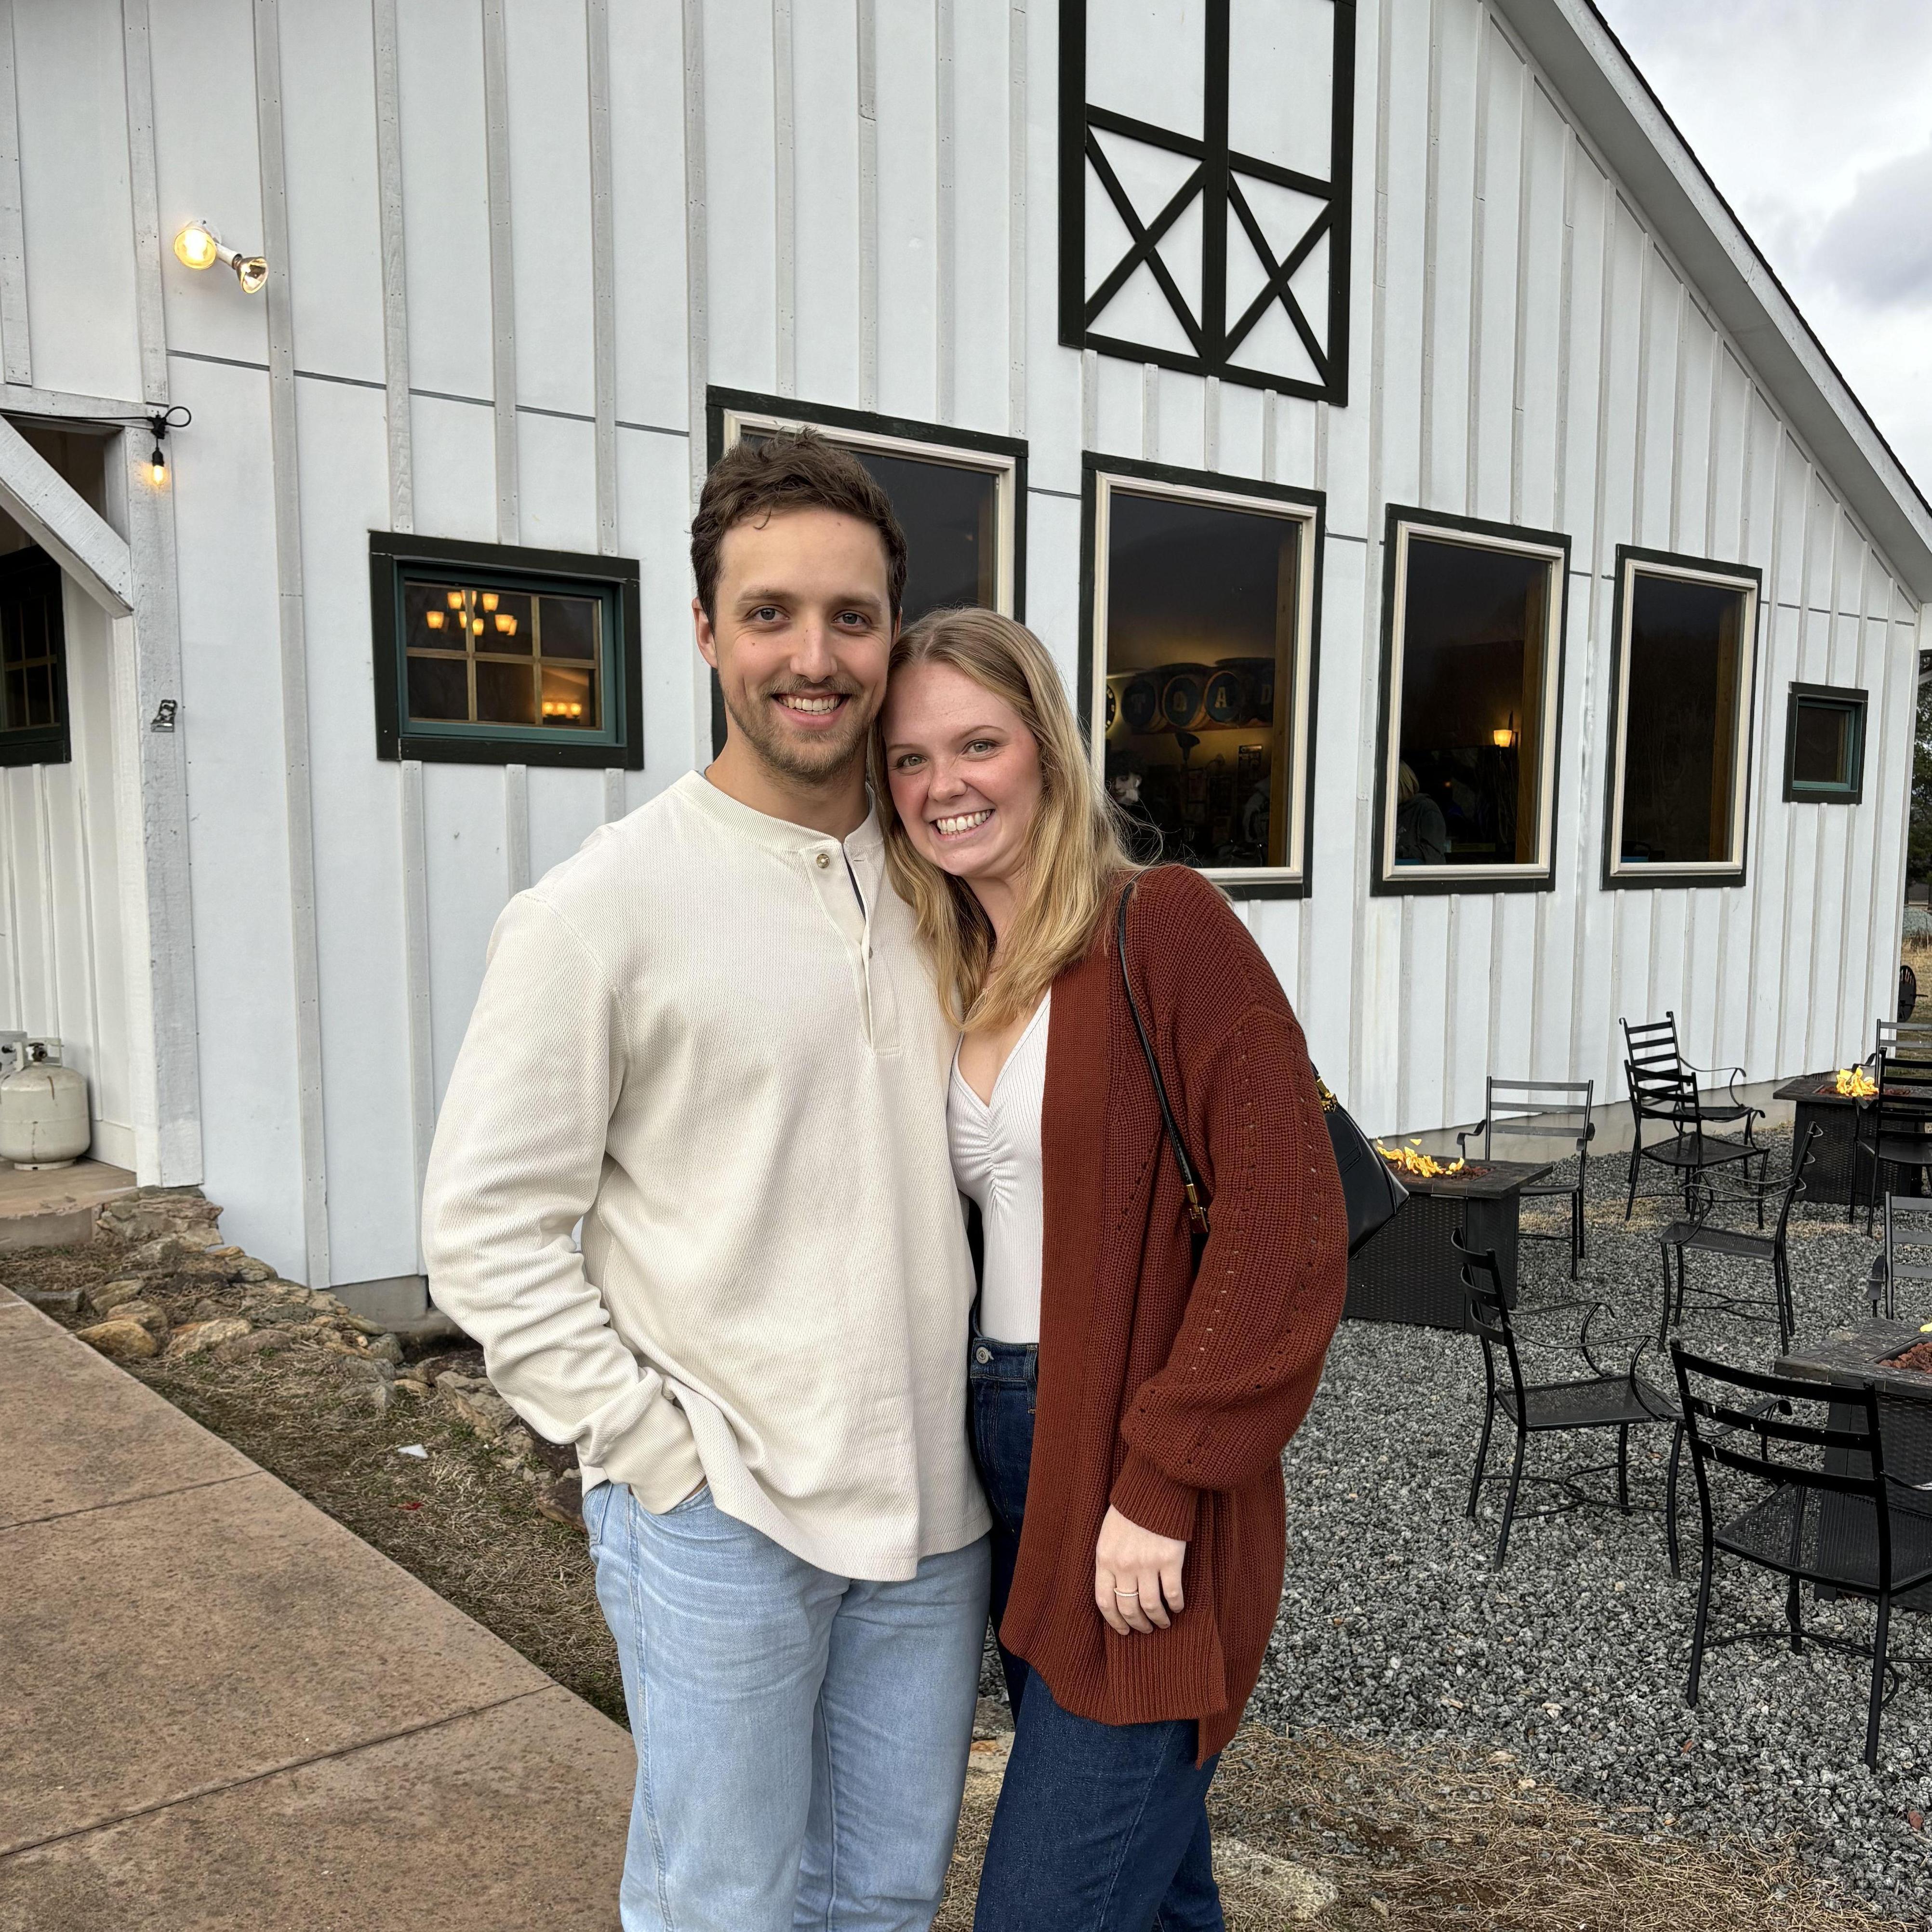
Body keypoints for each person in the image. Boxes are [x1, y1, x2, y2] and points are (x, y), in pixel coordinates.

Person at [420, 431, 990, 1932]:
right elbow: (484, 1228)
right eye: (770, 614)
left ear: (890, 634)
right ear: (705, 632)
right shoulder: (597, 911)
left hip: (934, 1516)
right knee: (720, 1906)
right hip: (719, 1508)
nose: (815, 656)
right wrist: (650, 1454)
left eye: (850, 616)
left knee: (878, 1900)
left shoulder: (946, 885)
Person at [873, 609, 1349, 1929]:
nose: (943, 783)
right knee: (1155, 1885)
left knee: (1046, 1900)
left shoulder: (1163, 925)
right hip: (1006, 1456)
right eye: (909, 760)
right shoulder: (951, 965)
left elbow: (1283, 1222)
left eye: (977, 742)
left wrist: (1165, 1473)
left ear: (1046, 750)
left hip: (1135, 1469)